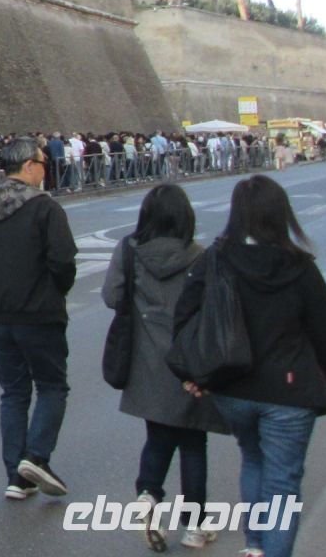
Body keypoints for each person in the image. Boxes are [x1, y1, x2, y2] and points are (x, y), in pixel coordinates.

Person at [174, 177, 326, 557]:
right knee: (283, 482)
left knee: (253, 457)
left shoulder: (215, 258)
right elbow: (325, 331)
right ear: (282, 215)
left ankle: (255, 544)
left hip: (233, 388)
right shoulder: (300, 266)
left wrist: (194, 375)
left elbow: (185, 317)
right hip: (289, 391)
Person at [102, 183, 230, 552]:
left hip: (144, 361)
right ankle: (194, 525)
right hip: (189, 363)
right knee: (193, 441)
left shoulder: (129, 249)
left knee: (157, 434)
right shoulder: (200, 256)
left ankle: (148, 495)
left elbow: (112, 296)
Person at [0, 135, 78, 501]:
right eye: (43, 162)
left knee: (13, 393)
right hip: (38, 311)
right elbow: (62, 261)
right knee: (52, 386)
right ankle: (37, 458)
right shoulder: (45, 208)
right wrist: (57, 291)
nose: (46, 168)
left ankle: (16, 475)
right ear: (28, 166)